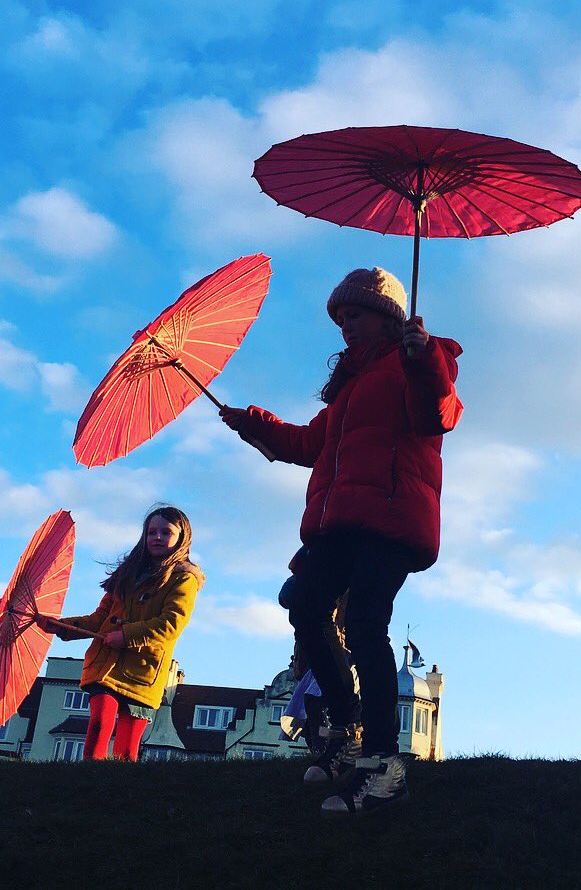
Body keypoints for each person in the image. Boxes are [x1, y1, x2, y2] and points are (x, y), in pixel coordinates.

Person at [220, 267, 462, 814]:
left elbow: (439, 414)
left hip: (393, 516)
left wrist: (423, 358)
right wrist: (252, 423)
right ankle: (345, 726)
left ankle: (383, 763)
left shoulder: (421, 360)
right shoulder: (350, 386)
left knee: (366, 624)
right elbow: (310, 444)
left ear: (385, 316)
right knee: (306, 605)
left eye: (353, 314)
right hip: (340, 522)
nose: (344, 326)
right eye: (340, 318)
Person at [38, 504, 204, 761]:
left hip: (142, 671)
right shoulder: (128, 573)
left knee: (127, 747)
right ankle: (87, 777)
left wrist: (126, 636)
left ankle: (119, 784)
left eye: (166, 532)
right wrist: (62, 626)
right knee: (99, 723)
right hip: (104, 666)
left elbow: (171, 624)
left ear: (182, 537)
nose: (157, 537)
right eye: (151, 532)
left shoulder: (184, 578)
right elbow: (100, 619)